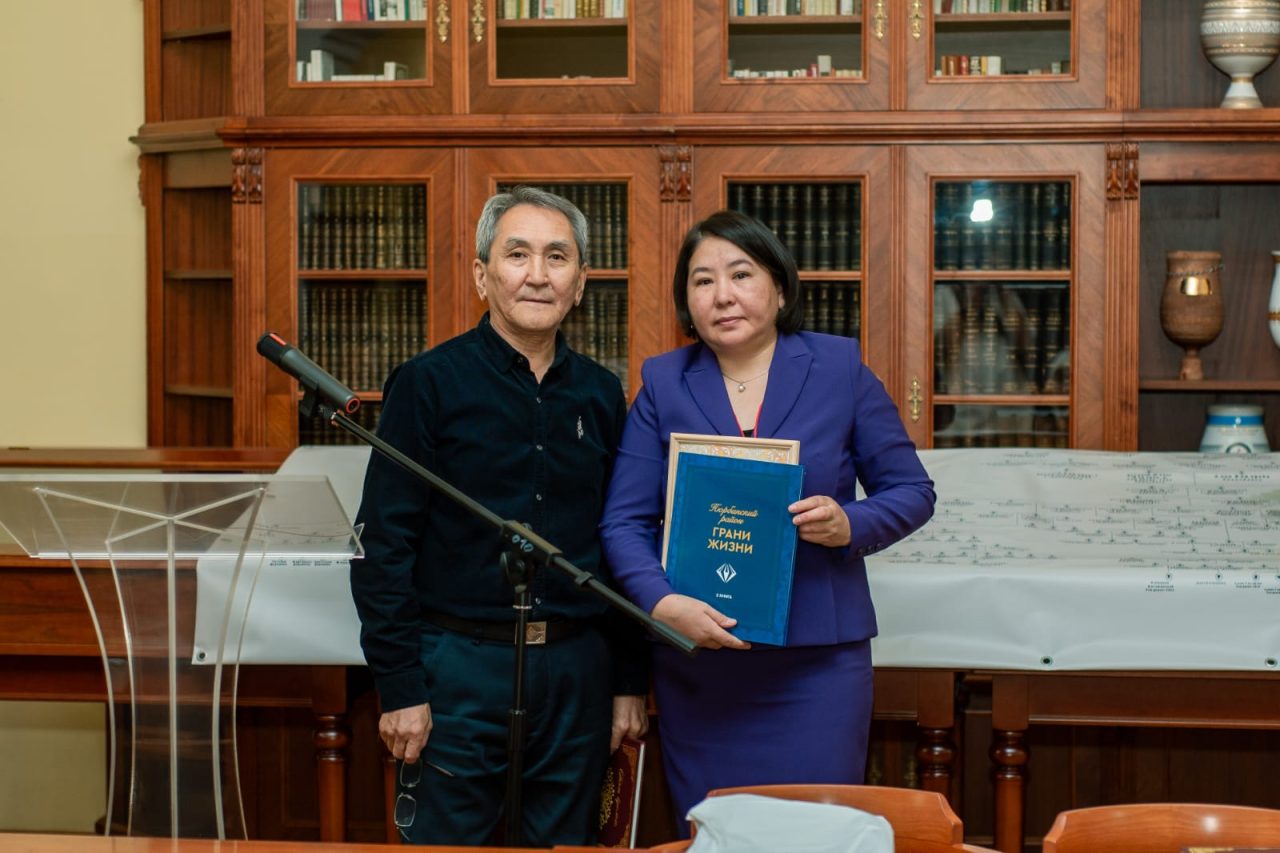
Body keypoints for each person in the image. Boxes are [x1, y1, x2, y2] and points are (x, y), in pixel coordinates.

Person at [600, 209, 936, 833]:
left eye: (741, 274)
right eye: (702, 281)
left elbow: (912, 491)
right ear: (687, 303)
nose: (722, 295)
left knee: (815, 834)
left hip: (817, 667)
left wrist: (849, 523)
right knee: (716, 834)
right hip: (700, 662)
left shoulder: (839, 370)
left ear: (780, 289)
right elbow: (624, 522)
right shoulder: (664, 383)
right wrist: (662, 603)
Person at [350, 186, 649, 847]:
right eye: (518, 254)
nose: (538, 274)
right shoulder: (428, 383)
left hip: (576, 669)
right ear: (483, 275)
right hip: (458, 667)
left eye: (557, 257)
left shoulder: (601, 393)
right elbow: (384, 544)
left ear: (580, 283)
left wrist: (628, 681)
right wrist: (399, 686)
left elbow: (623, 540)